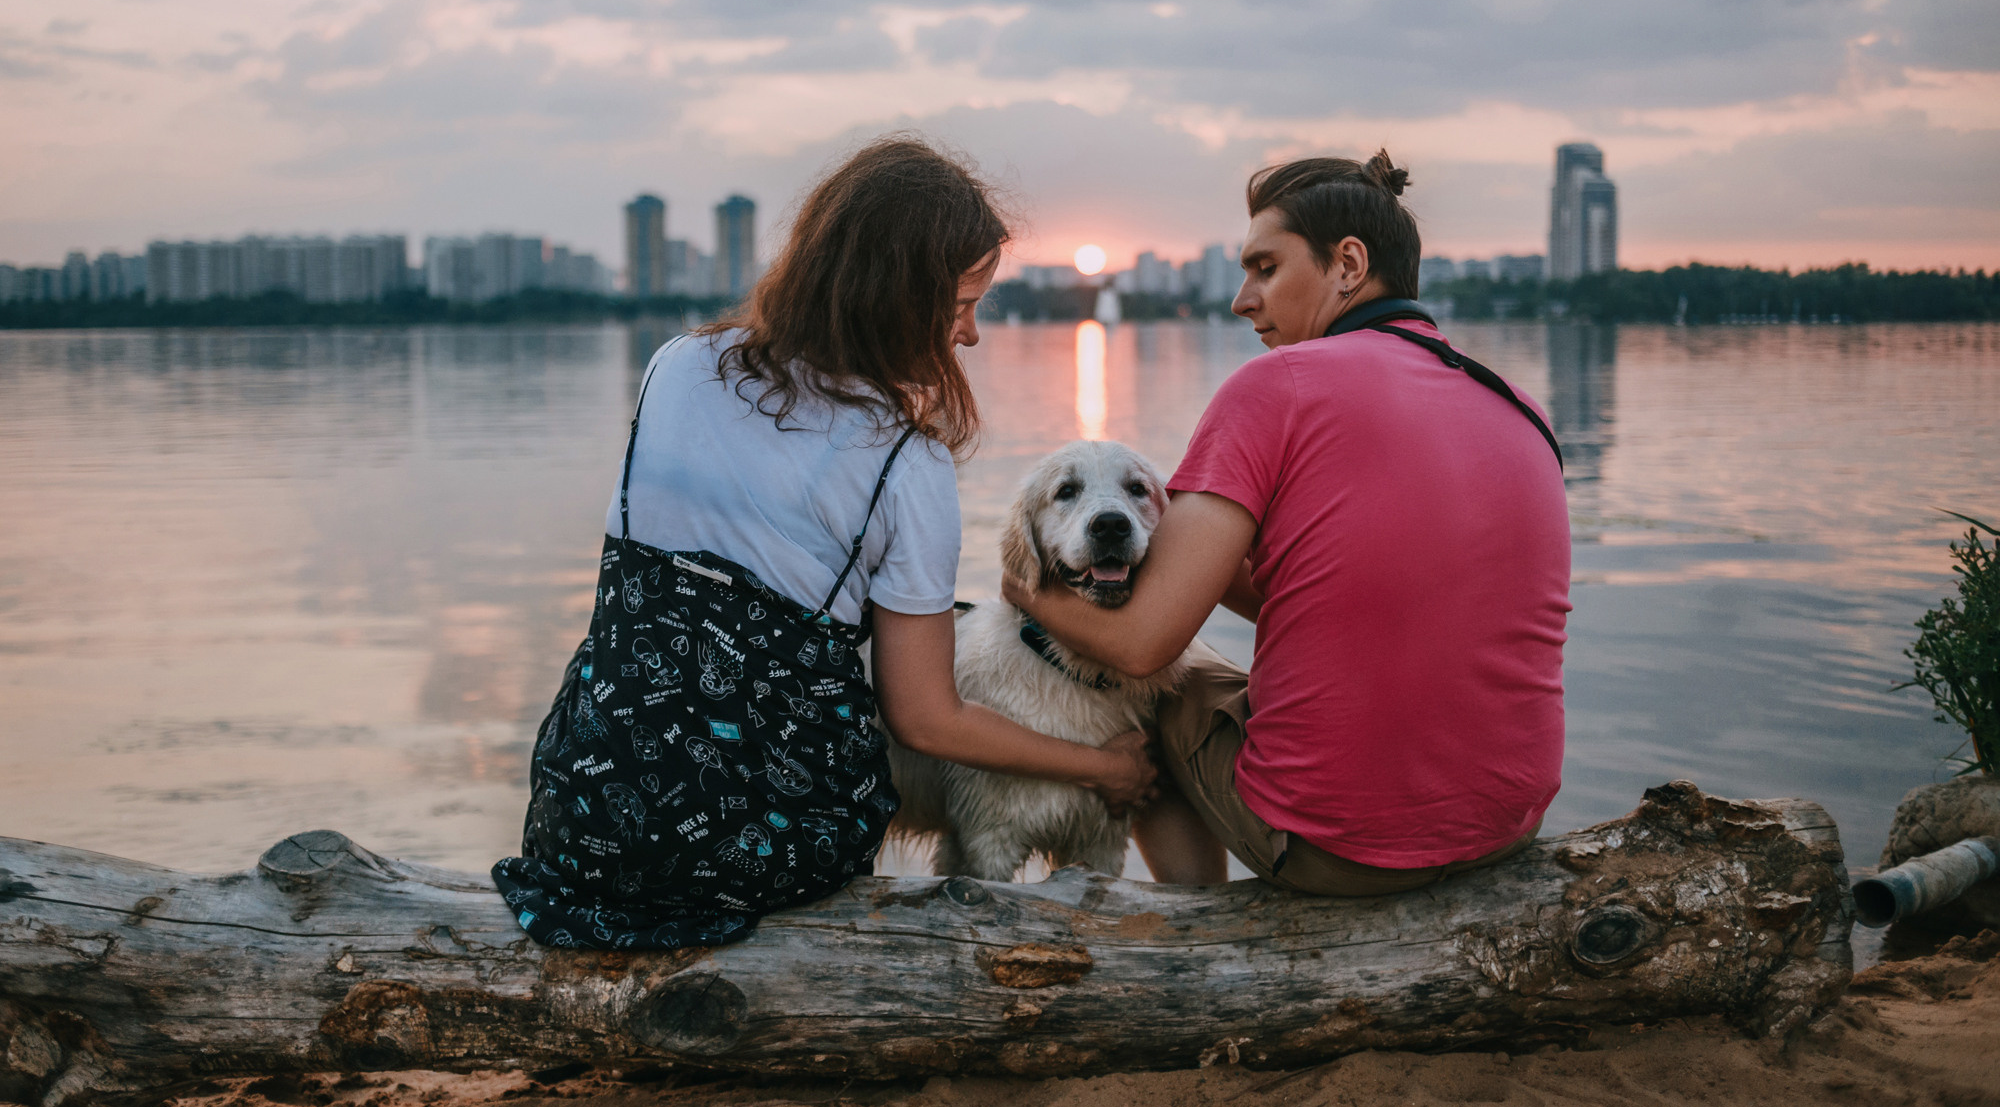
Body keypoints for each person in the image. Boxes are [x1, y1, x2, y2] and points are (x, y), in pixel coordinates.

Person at [494, 137, 1156, 948]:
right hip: (764, 842)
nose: (972, 336)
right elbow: (928, 720)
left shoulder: (675, 364)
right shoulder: (905, 463)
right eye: (961, 305)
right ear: (897, 296)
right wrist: (1105, 768)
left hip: (585, 809)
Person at [1005, 151, 1569, 895]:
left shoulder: (1278, 385)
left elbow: (1141, 642)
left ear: (1348, 265)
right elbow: (1345, 593)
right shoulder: (1518, 403)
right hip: (1506, 824)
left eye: (1265, 268)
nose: (1243, 300)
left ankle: (1189, 929)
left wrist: (1024, 589)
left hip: (1345, 850)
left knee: (1166, 681)